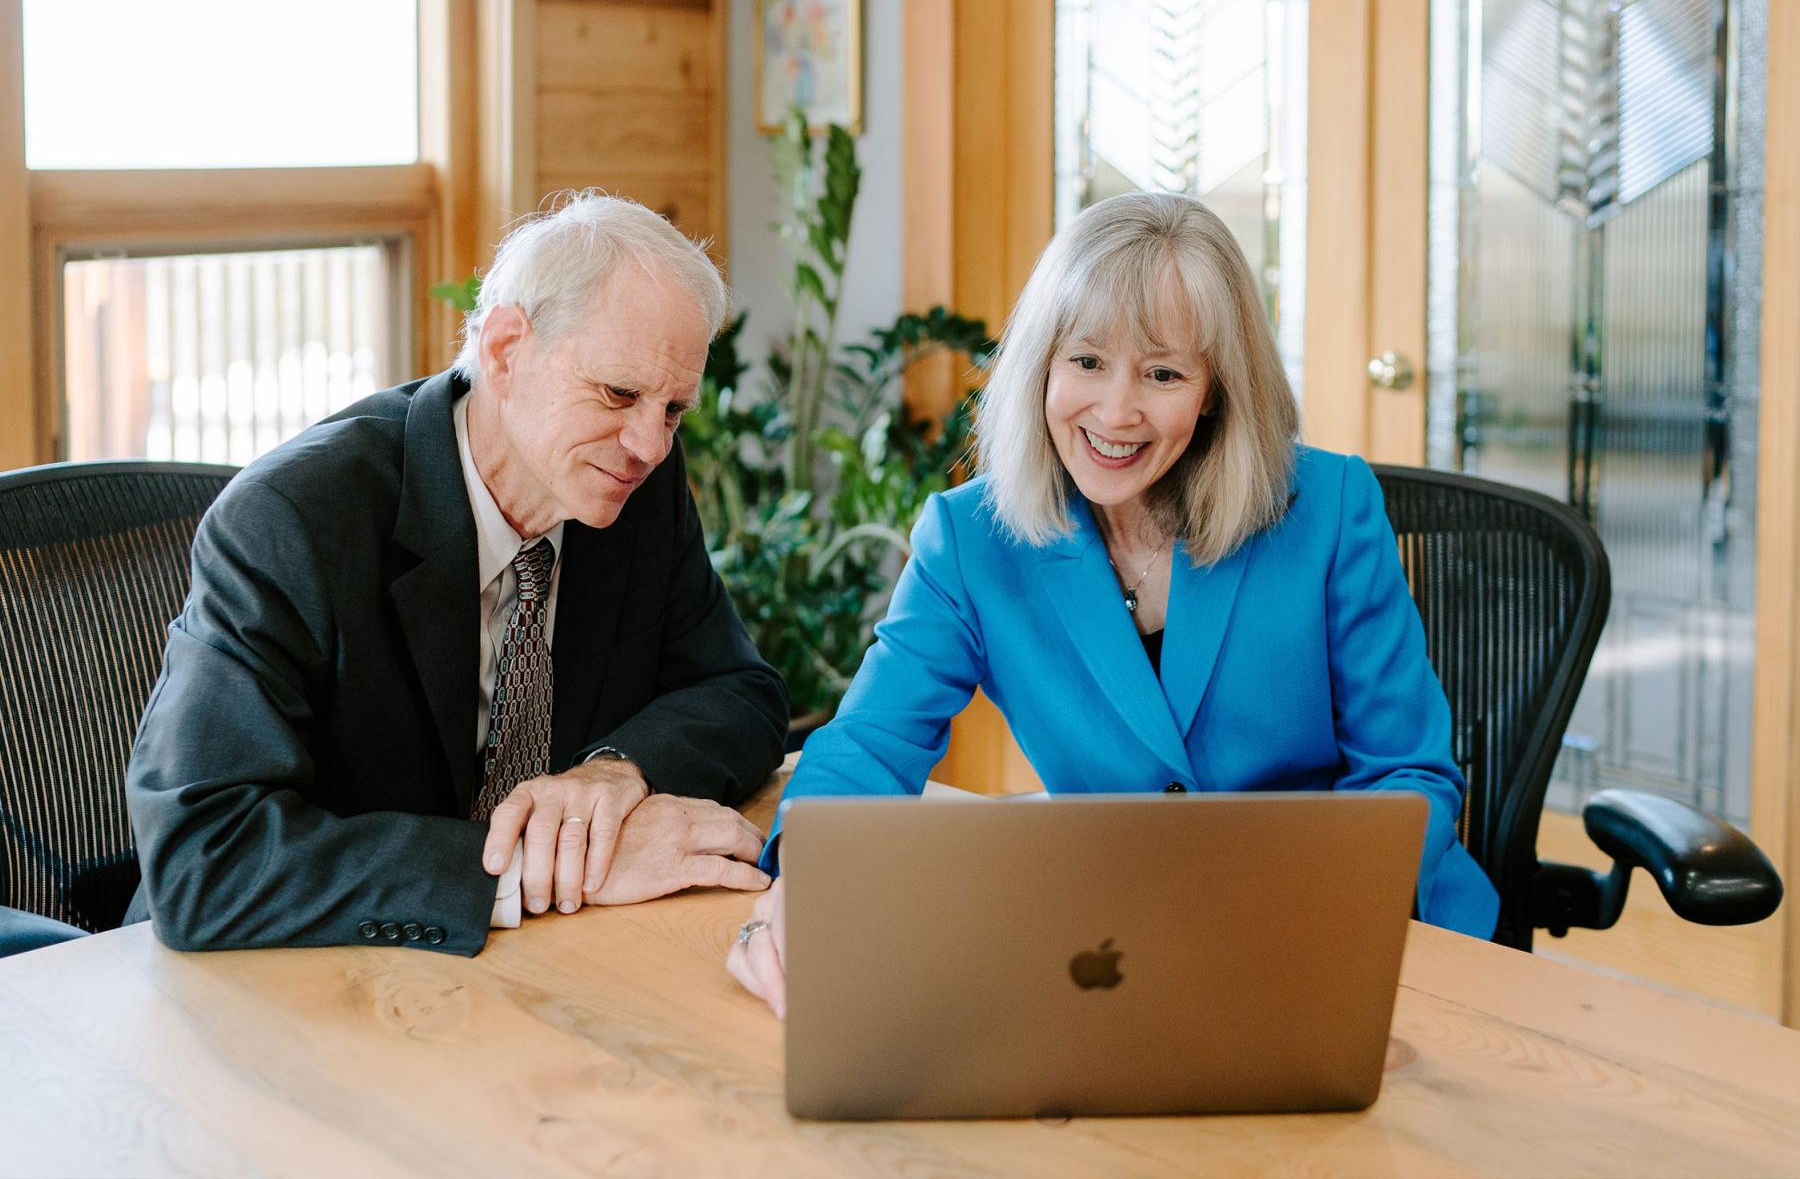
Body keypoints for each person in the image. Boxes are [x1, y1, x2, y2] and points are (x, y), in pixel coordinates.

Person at [728, 191, 1500, 1017]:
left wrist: (1288, 909)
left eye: (1163, 373)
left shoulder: (1329, 509)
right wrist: (808, 880)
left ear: (1215, 391)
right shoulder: (971, 539)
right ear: (1042, 367)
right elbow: (871, 742)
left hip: (1355, 944)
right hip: (1119, 953)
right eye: (1087, 361)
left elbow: (1405, 774)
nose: (1117, 411)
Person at [126, 193, 788, 955]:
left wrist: (612, 775)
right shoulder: (293, 519)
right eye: (618, 394)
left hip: (525, 975)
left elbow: (740, 691)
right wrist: (538, 869)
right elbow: (203, 858)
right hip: (277, 986)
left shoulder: (629, 488)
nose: (649, 443)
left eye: (674, 409)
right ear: (507, 351)